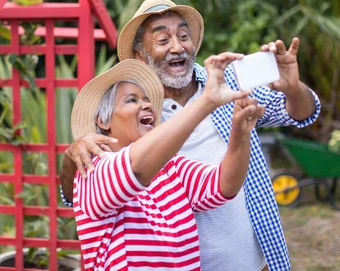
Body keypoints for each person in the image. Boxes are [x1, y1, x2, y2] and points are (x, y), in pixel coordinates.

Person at [61, 0, 321, 271]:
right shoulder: (135, 132)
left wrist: (287, 92)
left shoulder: (226, 85)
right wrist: (70, 157)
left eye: (183, 36)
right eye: (162, 40)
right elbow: (109, 179)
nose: (177, 46)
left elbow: (226, 183)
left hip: (251, 262)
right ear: (140, 56)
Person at [71, 57, 264, 270]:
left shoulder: (170, 169)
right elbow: (135, 168)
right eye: (131, 100)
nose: (146, 105)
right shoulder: (93, 168)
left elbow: (225, 184)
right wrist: (207, 101)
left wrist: (240, 133)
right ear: (103, 120)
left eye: (147, 100)